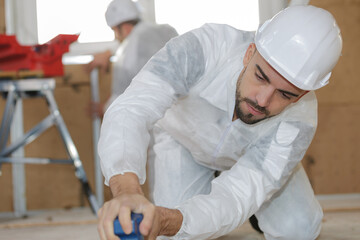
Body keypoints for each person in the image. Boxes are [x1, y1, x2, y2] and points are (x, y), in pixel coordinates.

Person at [97, 5, 342, 240]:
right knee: (176, 234)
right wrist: (126, 190)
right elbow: (132, 108)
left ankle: (257, 207)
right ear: (249, 53)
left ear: (302, 95)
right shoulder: (204, 48)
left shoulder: (299, 122)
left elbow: (236, 197)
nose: (262, 100)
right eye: (260, 76)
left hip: (252, 158)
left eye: (286, 94)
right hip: (184, 142)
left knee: (297, 231)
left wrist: (173, 219)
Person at [85, 0, 178, 118]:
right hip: (184, 110)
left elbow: (121, 97)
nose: (116, 37)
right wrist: (109, 52)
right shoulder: (167, 30)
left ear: (124, 27)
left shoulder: (126, 52)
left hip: (158, 118)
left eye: (115, 31)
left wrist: (104, 109)